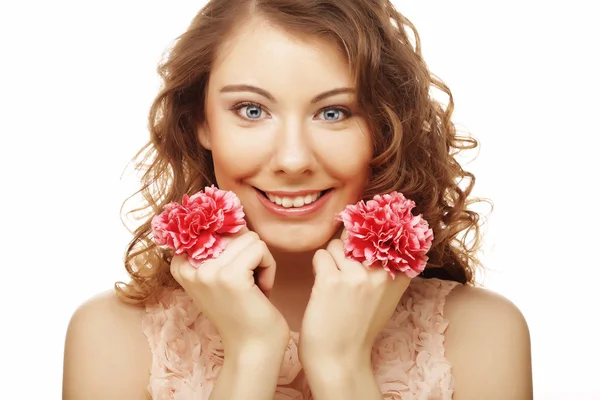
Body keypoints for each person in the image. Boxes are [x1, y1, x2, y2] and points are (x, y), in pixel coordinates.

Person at [62, 1, 533, 399]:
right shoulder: (111, 338)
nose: (292, 159)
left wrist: (341, 366)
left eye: (334, 112)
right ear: (199, 122)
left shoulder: (482, 335)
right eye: (251, 110)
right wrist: (250, 355)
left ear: (385, 129)